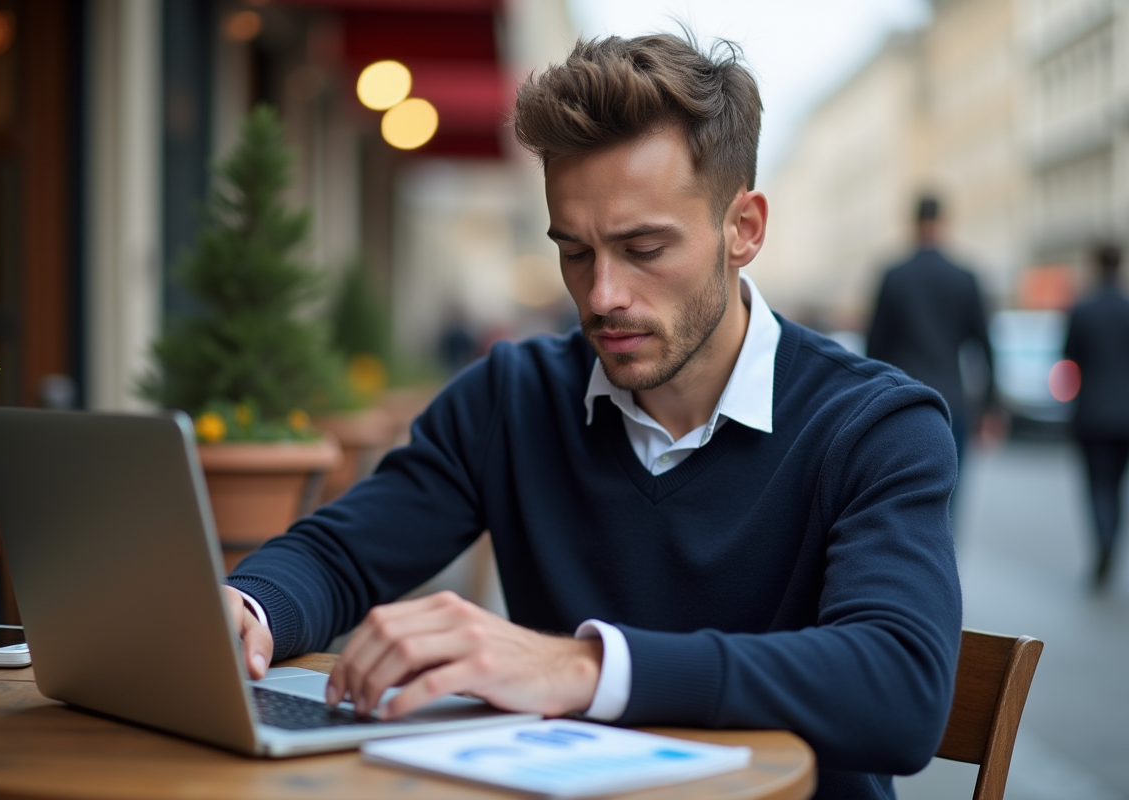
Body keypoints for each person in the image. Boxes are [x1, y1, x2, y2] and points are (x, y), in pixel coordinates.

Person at [223, 34, 962, 800]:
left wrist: (580, 668)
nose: (603, 294)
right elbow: (340, 557)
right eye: (575, 251)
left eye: (643, 247)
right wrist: (248, 607)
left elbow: (901, 689)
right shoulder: (511, 398)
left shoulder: (877, 426)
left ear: (742, 229)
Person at [867, 195, 994, 470]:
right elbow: (984, 345)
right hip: (952, 403)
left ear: (915, 223)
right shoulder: (964, 277)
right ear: (942, 222)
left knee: (904, 490)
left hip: (903, 401)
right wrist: (989, 405)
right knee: (949, 494)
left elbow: (875, 346)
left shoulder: (894, 276)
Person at [1064, 243, 1129, 589]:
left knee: (1097, 486)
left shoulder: (1083, 308)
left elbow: (1068, 354)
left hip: (1092, 412)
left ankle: (1103, 543)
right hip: (1126, 415)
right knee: (1116, 486)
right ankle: (1111, 543)